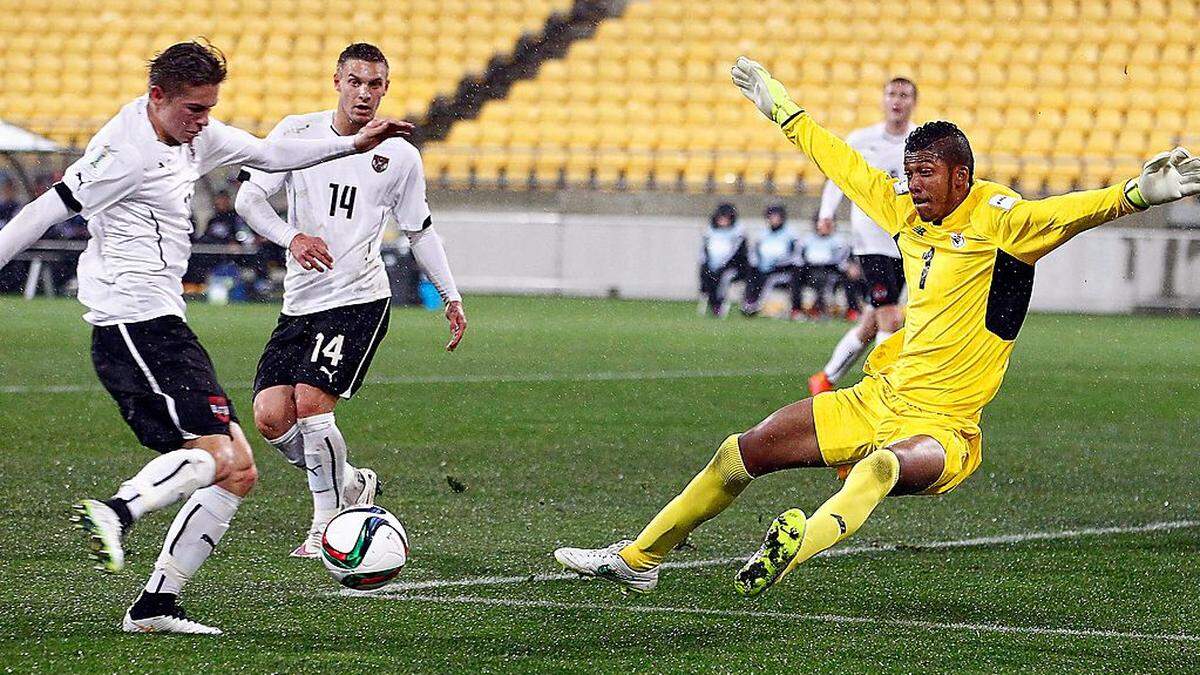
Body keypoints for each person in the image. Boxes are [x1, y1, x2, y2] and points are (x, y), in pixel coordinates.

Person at [552, 56, 1200, 596]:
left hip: (942, 429)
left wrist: (1133, 194)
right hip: (876, 399)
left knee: (884, 467)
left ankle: (796, 543)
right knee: (739, 451)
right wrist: (784, 111)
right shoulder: (906, 211)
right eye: (910, 171)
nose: (913, 184)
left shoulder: (1000, 219)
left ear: (961, 176)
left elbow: (1066, 213)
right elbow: (842, 163)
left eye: (927, 173)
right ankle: (640, 559)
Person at [0, 40, 412, 633]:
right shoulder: (123, 152)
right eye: (193, 109)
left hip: (163, 322)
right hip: (132, 323)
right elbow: (45, 211)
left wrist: (352, 143)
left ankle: (156, 604)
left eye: (209, 109)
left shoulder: (195, 132)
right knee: (217, 454)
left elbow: (271, 153)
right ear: (157, 96)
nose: (202, 123)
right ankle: (117, 511)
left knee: (238, 470)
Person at [237, 43, 467, 559]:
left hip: (359, 298)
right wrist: (290, 237)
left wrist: (451, 295)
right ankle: (351, 481)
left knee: (312, 405)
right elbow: (248, 199)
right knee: (272, 418)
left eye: (376, 84)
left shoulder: (399, 155)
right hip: (300, 300)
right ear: (336, 81)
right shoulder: (297, 134)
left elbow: (419, 229)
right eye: (356, 81)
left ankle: (324, 524)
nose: (365, 93)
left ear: (386, 88)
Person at [810, 78, 917, 393]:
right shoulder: (862, 139)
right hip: (870, 238)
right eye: (892, 94)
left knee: (872, 320)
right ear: (883, 100)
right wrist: (827, 212)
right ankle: (884, 389)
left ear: (913, 102)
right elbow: (839, 176)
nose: (897, 100)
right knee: (891, 318)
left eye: (904, 95)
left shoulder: (920, 139)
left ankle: (824, 379)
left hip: (904, 238)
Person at [740, 204, 800, 317]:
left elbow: (795, 256)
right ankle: (749, 301)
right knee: (752, 276)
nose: (774, 220)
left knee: (768, 279)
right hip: (763, 268)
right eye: (771, 217)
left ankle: (756, 305)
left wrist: (778, 264)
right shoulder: (762, 234)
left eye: (776, 217)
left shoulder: (791, 235)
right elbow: (754, 253)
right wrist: (757, 263)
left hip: (782, 269)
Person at [796, 215, 853, 318]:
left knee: (848, 276)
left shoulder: (839, 240)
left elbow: (843, 260)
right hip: (810, 269)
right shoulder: (807, 239)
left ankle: (852, 309)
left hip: (831, 269)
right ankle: (797, 309)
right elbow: (799, 259)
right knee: (796, 276)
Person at [699, 202, 747, 317]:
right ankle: (713, 303)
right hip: (713, 265)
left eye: (726, 218)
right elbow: (704, 252)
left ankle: (719, 303)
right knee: (707, 274)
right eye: (721, 217)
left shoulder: (738, 231)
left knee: (723, 276)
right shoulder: (710, 230)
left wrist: (723, 264)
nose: (723, 221)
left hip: (734, 266)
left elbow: (738, 254)